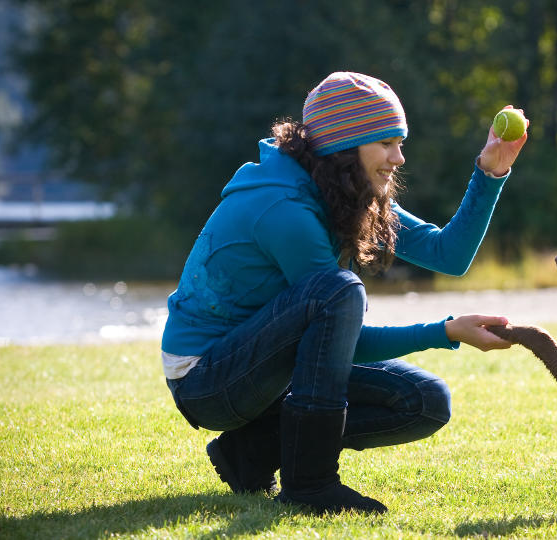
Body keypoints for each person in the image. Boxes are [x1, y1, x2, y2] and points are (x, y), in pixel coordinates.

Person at [160, 71, 528, 514]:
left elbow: (447, 254)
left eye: (400, 141)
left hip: (267, 370)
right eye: (387, 143)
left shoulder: (345, 189)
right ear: (344, 147)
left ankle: (251, 452)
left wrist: (492, 171)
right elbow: (344, 335)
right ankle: (310, 485)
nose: (399, 157)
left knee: (425, 402)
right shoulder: (285, 209)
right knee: (338, 291)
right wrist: (445, 331)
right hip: (207, 379)